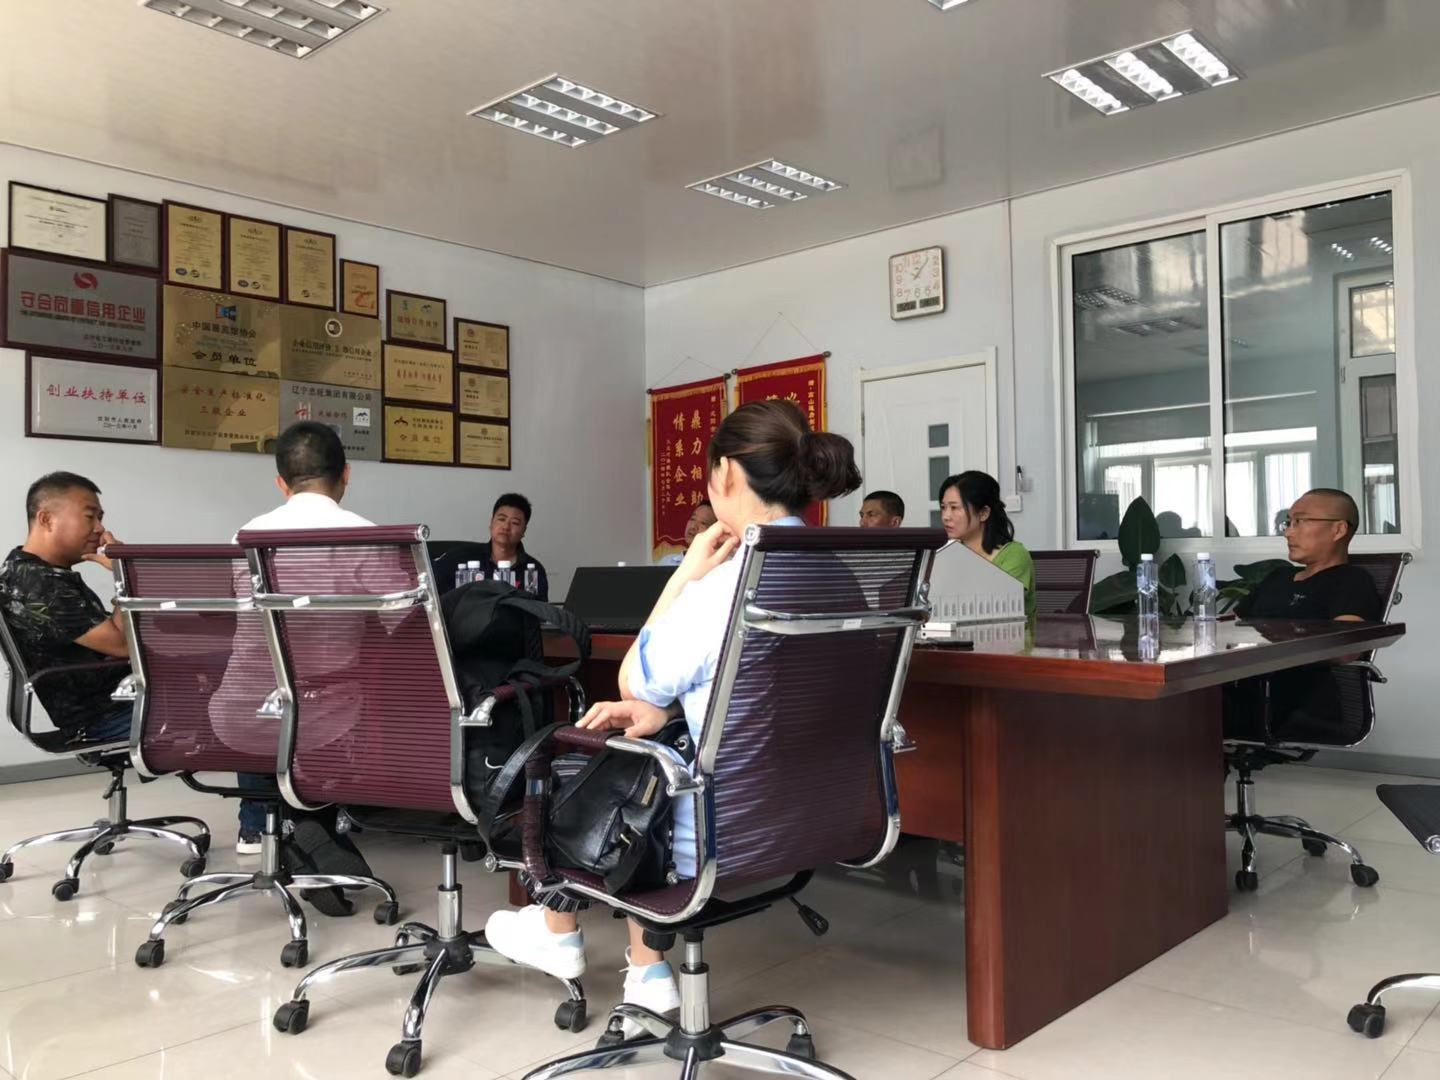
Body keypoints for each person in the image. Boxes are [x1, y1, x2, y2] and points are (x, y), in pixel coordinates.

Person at [484, 399, 861, 1021]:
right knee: (654, 742)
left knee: (598, 760)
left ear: (727, 473)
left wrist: (684, 575)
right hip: (809, 816)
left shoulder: (724, 586)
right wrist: (671, 716)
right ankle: (648, 971)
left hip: (716, 830)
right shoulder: (840, 576)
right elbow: (770, 699)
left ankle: (558, 931)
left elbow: (633, 682)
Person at [218, 422, 378, 915]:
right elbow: (408, 628)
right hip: (324, 715)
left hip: (238, 710)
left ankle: (271, 826)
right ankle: (312, 826)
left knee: (268, 689)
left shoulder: (245, 536)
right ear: (346, 475)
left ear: (281, 484)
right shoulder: (368, 537)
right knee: (364, 691)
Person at [1227, 488, 1381, 741]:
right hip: (1242, 687)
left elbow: (1345, 650)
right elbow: (1227, 628)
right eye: (1288, 522)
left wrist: (1275, 638)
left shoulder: (1351, 581)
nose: (1288, 532)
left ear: (1338, 530)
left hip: (1291, 700)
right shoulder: (1278, 577)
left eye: (1300, 521)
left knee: (1182, 714)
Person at [0, 473, 131, 743]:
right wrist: (125, 574)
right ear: (46, 519)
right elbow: (123, 645)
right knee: (226, 706)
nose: (100, 529)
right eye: (89, 516)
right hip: (109, 715)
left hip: (119, 701)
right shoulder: (40, 584)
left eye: (100, 518)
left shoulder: (27, 571)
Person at [938, 471, 1035, 617]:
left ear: (983, 513)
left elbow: (997, 608)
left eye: (954, 508)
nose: (946, 516)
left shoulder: (1014, 555)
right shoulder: (949, 555)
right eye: (943, 507)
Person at [474, 493, 549, 599]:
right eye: (501, 519)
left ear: (524, 530)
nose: (506, 527)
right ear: (491, 523)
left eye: (515, 523)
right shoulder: (466, 561)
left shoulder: (533, 571)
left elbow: (539, 607)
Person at [658, 500, 717, 565]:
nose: (693, 526)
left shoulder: (720, 566)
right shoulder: (667, 562)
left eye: (703, 523)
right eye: (693, 519)